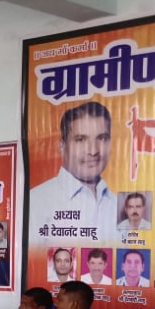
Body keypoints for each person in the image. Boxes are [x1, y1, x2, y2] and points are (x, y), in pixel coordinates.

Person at [28, 101, 116, 244]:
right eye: (80, 140)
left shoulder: (119, 205)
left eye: (102, 138)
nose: (93, 151)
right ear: (62, 147)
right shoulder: (36, 202)